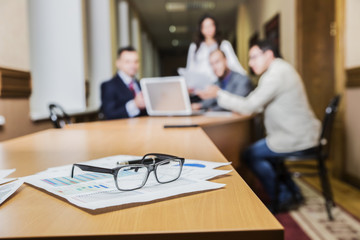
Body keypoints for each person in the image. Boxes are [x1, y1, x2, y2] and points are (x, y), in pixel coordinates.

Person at [197, 40, 321, 211]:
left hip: (296, 138)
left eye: (254, 57)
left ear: (269, 55)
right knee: (260, 152)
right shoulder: (280, 70)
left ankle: (284, 197)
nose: (250, 63)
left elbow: (249, 106)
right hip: (302, 134)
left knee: (250, 154)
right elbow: (255, 105)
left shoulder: (275, 74)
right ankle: (293, 192)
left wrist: (218, 93)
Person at [184, 14, 247, 85]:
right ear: (201, 29)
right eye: (205, 26)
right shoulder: (194, 47)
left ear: (215, 27)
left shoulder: (224, 45)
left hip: (220, 83)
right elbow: (190, 68)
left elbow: (233, 64)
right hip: (200, 85)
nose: (208, 29)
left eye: (211, 25)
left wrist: (245, 78)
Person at [101, 46, 146, 120]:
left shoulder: (141, 84)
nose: (133, 65)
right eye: (127, 62)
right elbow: (109, 114)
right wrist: (134, 105)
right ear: (118, 63)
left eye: (136, 61)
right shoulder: (109, 86)